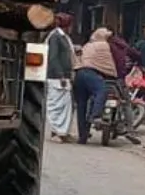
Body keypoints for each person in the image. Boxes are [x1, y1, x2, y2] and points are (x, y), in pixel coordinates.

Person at [73, 28, 117, 144]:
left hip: (79, 74)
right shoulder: (103, 45)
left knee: (81, 105)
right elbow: (109, 63)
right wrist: (114, 74)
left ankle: (82, 137)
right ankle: (96, 115)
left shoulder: (88, 45)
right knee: (101, 91)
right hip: (91, 73)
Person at [45, 13, 76, 143]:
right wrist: (60, 75)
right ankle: (58, 132)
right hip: (57, 77)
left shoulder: (64, 37)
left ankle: (61, 131)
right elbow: (53, 58)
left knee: (65, 105)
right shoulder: (56, 37)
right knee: (56, 105)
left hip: (64, 76)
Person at [107, 30, 142, 138]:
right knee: (126, 103)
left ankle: (87, 125)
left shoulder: (102, 45)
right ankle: (130, 130)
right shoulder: (123, 46)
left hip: (103, 78)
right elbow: (137, 55)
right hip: (119, 78)